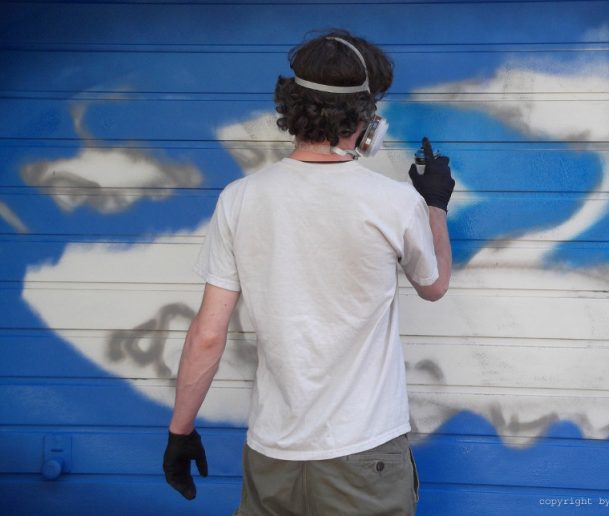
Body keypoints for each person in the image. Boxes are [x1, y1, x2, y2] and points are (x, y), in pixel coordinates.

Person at [163, 29, 455, 515]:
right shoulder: (394, 203)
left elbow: (208, 335)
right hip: (364, 456)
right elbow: (435, 285)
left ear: (293, 107)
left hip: (272, 456)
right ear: (365, 118)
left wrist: (180, 432)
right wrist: (435, 206)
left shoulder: (240, 199)